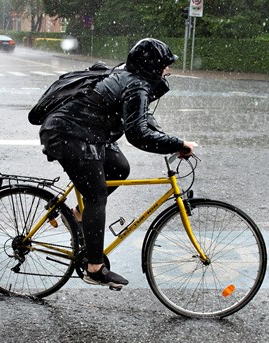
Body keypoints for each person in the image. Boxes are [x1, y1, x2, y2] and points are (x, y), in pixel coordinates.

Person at [39, 38, 195, 289]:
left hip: (89, 132)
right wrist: (176, 144)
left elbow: (141, 118)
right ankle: (94, 268)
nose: (168, 70)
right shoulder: (136, 85)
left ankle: (78, 216)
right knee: (96, 195)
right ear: (151, 66)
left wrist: (172, 140)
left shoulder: (133, 78)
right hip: (69, 133)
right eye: (165, 65)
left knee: (120, 168)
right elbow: (137, 134)